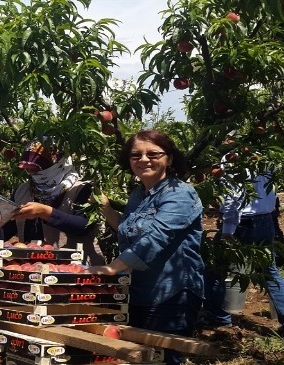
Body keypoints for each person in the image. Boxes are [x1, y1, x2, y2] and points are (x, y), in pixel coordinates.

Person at [86, 130, 204, 365]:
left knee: (162, 359)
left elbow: (157, 236)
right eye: (136, 155)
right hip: (139, 290)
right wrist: (106, 209)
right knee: (138, 357)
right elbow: (129, 229)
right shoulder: (139, 194)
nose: (143, 160)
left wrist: (113, 268)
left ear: (169, 159)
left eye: (153, 153)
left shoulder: (180, 193)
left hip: (171, 293)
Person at [202, 163, 284, 338]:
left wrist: (228, 229)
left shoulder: (234, 158)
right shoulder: (268, 157)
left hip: (241, 222)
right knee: (269, 272)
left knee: (214, 269)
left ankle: (217, 316)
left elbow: (233, 197)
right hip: (265, 220)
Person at [0, 137, 106, 265]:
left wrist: (44, 212)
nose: (31, 172)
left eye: (37, 168)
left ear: (57, 164)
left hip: (78, 272)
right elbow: (7, 227)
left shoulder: (83, 189)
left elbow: (83, 226)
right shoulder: (22, 191)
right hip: (34, 271)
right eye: (28, 168)